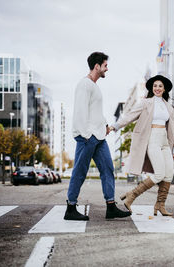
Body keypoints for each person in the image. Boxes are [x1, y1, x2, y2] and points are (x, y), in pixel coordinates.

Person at [64, 52, 131, 221]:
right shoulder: (84, 84)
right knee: (80, 171)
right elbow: (80, 111)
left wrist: (105, 126)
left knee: (108, 169)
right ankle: (70, 208)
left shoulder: (94, 86)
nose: (107, 69)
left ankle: (110, 207)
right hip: (88, 137)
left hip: (99, 137)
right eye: (105, 65)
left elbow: (95, 113)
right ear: (97, 66)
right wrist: (85, 135)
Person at [111, 75, 174, 216]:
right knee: (159, 174)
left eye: (160, 86)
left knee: (169, 173)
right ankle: (132, 195)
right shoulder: (145, 103)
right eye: (155, 86)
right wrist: (115, 126)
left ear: (164, 88)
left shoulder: (169, 107)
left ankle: (160, 205)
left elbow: (173, 129)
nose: (157, 88)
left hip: (165, 142)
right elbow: (130, 116)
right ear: (151, 88)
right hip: (152, 139)